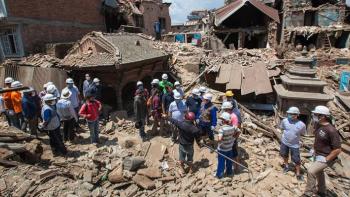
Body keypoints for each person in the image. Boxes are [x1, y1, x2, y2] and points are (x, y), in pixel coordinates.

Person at [303, 106, 341, 197]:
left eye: (316, 114)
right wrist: (314, 150)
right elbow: (317, 139)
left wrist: (326, 159)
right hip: (318, 154)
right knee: (319, 173)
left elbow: (337, 149)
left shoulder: (331, 130)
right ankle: (322, 191)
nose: (314, 116)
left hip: (326, 157)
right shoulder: (318, 125)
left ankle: (308, 193)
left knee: (311, 171)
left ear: (323, 116)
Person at [280, 107, 306, 181]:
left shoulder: (302, 125)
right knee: (284, 154)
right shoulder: (284, 121)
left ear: (296, 115)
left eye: (291, 114)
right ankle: (286, 166)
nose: (289, 115)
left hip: (294, 145)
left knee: (296, 160)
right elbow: (282, 128)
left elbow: (303, 133)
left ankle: (298, 174)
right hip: (284, 142)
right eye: (289, 114)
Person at [216, 112, 237, 178]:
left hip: (222, 149)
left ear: (224, 120)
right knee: (229, 161)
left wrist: (219, 141)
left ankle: (220, 175)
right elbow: (238, 131)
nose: (221, 120)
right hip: (229, 148)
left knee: (221, 163)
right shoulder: (233, 127)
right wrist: (233, 138)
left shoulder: (222, 129)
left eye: (222, 119)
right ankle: (229, 173)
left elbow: (219, 139)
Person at [222, 101, 241, 173]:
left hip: (231, 138)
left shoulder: (233, 117)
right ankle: (232, 167)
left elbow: (236, 129)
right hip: (228, 138)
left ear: (227, 109)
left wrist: (233, 138)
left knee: (234, 153)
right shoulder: (228, 115)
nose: (224, 111)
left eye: (224, 109)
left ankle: (237, 168)